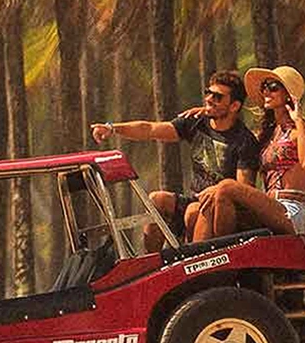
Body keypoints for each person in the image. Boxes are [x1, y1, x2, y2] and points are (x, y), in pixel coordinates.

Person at [91, 70, 260, 249]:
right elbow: (150, 129)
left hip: (219, 210)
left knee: (194, 211)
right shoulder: (196, 121)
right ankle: (152, 265)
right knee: (157, 199)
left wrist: (219, 191)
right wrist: (112, 128)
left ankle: (194, 269)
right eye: (208, 93)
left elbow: (244, 191)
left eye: (217, 96)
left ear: (234, 106)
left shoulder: (244, 141)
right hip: (194, 200)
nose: (209, 99)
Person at [188, 66, 305, 239]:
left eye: (273, 87)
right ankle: (197, 260)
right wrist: (210, 113)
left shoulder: (299, 130)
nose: (266, 92)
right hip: (267, 207)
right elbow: (234, 132)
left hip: (290, 210)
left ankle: (222, 251)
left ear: (288, 94)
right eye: (264, 87)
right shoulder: (266, 134)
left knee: (226, 186)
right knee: (209, 204)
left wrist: (298, 119)